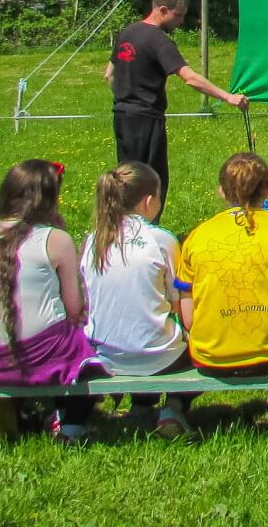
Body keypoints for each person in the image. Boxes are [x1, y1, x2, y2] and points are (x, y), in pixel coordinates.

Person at [0, 159, 99, 444]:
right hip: (36, 356)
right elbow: (74, 308)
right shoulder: (55, 239)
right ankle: (72, 423)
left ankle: (29, 412)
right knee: (87, 345)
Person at [104, 0, 250, 209]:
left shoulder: (128, 32)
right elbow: (189, 78)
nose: (181, 22)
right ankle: (147, 232)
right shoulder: (159, 40)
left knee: (125, 178)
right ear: (162, 10)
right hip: (146, 120)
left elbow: (109, 74)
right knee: (151, 182)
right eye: (178, 15)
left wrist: (126, 96)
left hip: (122, 117)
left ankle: (122, 226)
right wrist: (228, 97)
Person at [82, 162, 193, 438]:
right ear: (148, 201)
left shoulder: (93, 240)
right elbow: (177, 301)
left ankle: (141, 405)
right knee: (202, 346)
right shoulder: (162, 239)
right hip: (161, 356)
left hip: (105, 357)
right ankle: (173, 407)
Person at [174, 153, 268, 378]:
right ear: (267, 189)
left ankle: (174, 407)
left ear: (222, 192)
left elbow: (189, 320)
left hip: (211, 357)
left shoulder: (196, 236)